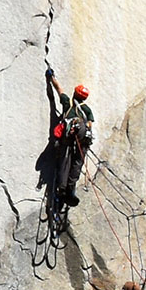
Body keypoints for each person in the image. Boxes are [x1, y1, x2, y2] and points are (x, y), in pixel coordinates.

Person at [45, 67, 94, 207]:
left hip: (69, 135)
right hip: (83, 135)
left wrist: (51, 77)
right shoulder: (86, 109)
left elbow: (58, 89)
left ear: (74, 93)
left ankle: (61, 188)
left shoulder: (68, 103)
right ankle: (70, 190)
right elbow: (89, 124)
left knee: (65, 159)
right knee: (77, 162)